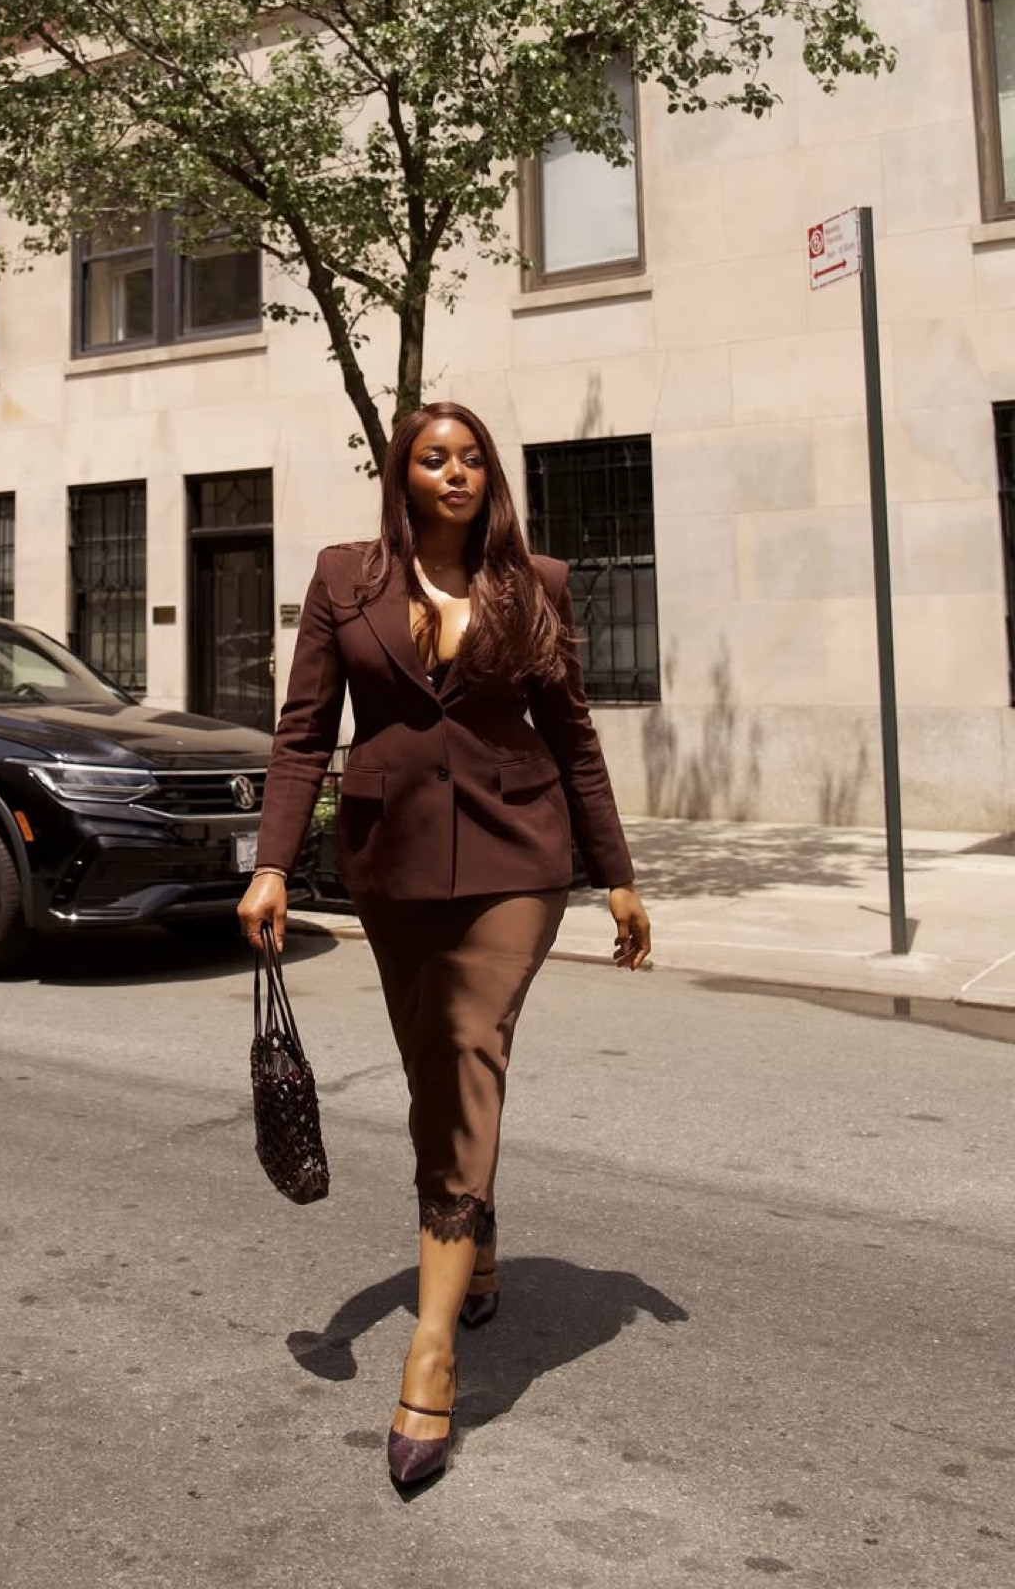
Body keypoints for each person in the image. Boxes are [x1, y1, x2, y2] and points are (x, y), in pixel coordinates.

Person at [239, 400, 651, 1489]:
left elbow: (576, 739)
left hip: (520, 859)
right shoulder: (344, 579)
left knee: (471, 1043)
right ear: (404, 474)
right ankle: (478, 1231)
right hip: (393, 864)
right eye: (435, 458)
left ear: (490, 479)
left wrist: (616, 874)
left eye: (473, 459)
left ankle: (430, 1356)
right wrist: (275, 861)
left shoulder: (535, 587)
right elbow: (301, 733)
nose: (456, 473)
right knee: (434, 1071)